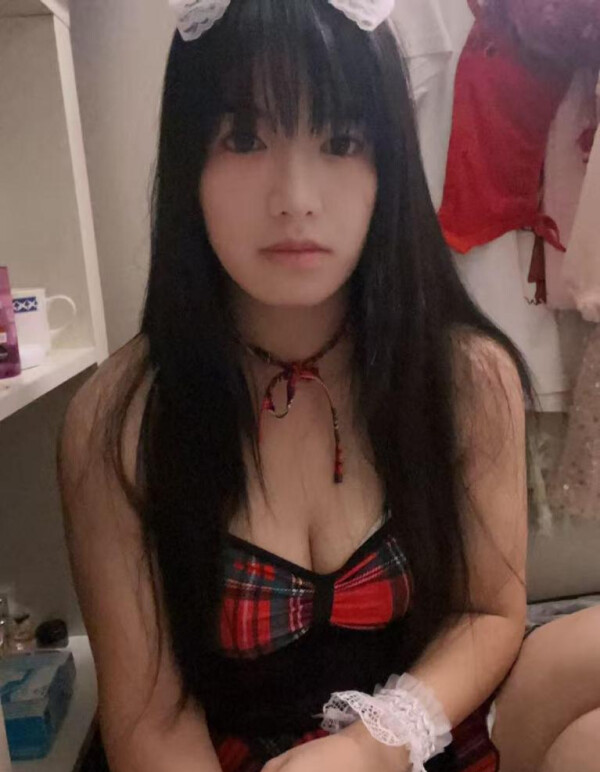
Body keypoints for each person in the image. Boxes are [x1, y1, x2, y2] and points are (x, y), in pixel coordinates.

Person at [57, 1, 597, 770]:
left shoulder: (467, 377)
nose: (296, 197)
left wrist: (374, 746)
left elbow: (486, 612)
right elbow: (150, 718)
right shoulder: (122, 420)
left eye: (341, 140)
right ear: (188, 160)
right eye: (245, 137)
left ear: (388, 164)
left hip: (405, 734)